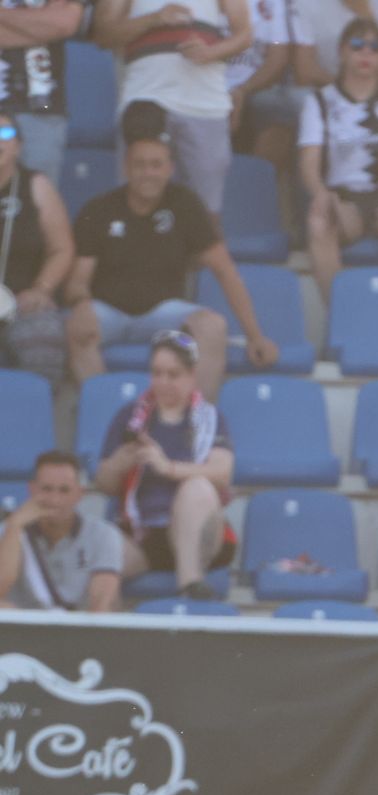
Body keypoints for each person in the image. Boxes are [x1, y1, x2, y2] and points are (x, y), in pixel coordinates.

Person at [66, 101, 278, 396]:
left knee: (213, 326)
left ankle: (194, 423)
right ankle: (106, 417)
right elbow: (77, 281)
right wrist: (82, 305)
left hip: (164, 313)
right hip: (109, 312)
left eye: (156, 165)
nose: (148, 173)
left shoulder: (185, 205)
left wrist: (256, 336)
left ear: (170, 168)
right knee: (77, 327)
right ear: (126, 167)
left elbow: (225, 271)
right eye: (140, 165)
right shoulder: (100, 209)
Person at [297, 16, 378, 299]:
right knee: (318, 219)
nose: (366, 53)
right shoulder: (320, 100)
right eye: (357, 45)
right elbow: (309, 162)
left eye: (375, 47)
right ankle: (338, 313)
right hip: (345, 203)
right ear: (342, 52)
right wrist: (319, 193)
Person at [95, 329, 236, 597]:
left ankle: (190, 584)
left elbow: (222, 473)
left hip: (198, 534)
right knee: (100, 562)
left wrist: (167, 467)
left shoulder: (211, 418)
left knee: (197, 488)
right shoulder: (129, 416)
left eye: (173, 374)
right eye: (157, 373)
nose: (163, 382)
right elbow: (104, 484)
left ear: (192, 376)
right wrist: (118, 464)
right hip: (142, 536)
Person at [95, 0, 252, 215]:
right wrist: (154, 19)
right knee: (139, 207)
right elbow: (103, 35)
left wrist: (211, 52)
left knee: (205, 214)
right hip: (145, 97)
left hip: (205, 105)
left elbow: (244, 35)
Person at [0, 108, 73, 390]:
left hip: (24, 303)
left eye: (6, 133)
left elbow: (62, 249)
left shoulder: (37, 185)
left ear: (18, 145)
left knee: (43, 338)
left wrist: (41, 289)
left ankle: (36, 426)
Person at [0, 450, 123, 612]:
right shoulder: (9, 531)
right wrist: (14, 526)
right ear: (32, 489)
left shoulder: (103, 535)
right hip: (25, 630)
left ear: (80, 494)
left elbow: (101, 603)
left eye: (64, 490)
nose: (54, 500)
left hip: (79, 629)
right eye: (46, 489)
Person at [0, 0, 93, 179]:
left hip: (40, 109)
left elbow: (64, 23)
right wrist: (39, 26)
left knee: (38, 199)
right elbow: (52, 25)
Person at [226, 0, 304, 169]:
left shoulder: (273, 3)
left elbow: (277, 56)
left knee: (281, 109)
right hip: (205, 85)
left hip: (252, 88)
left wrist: (241, 91)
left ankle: (255, 185)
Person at [290, 0, 378, 84]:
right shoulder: (305, 2)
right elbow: (305, 73)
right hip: (325, 88)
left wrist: (364, 12)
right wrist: (348, 90)